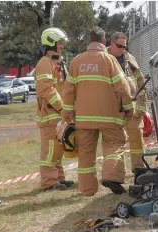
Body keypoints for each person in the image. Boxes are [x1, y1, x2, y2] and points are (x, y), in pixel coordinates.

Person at [62, 27, 134, 196]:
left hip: (84, 118)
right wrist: (129, 108)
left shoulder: (76, 62)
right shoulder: (109, 60)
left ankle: (87, 189)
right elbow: (122, 87)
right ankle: (111, 177)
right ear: (103, 42)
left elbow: (68, 91)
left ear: (89, 41)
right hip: (110, 116)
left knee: (86, 153)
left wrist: (67, 114)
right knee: (114, 145)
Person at [35, 28, 74, 191]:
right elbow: (46, 89)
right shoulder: (45, 63)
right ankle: (49, 183)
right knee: (50, 150)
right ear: (51, 43)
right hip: (50, 115)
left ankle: (58, 179)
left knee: (57, 149)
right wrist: (62, 107)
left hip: (57, 115)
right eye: (59, 43)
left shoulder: (57, 62)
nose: (62, 46)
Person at [107, 31, 147, 170]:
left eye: (125, 46)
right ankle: (115, 173)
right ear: (111, 44)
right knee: (116, 142)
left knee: (137, 137)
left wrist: (142, 103)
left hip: (132, 107)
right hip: (112, 108)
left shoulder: (130, 58)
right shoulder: (104, 59)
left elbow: (140, 79)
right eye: (120, 46)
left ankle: (139, 169)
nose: (123, 49)